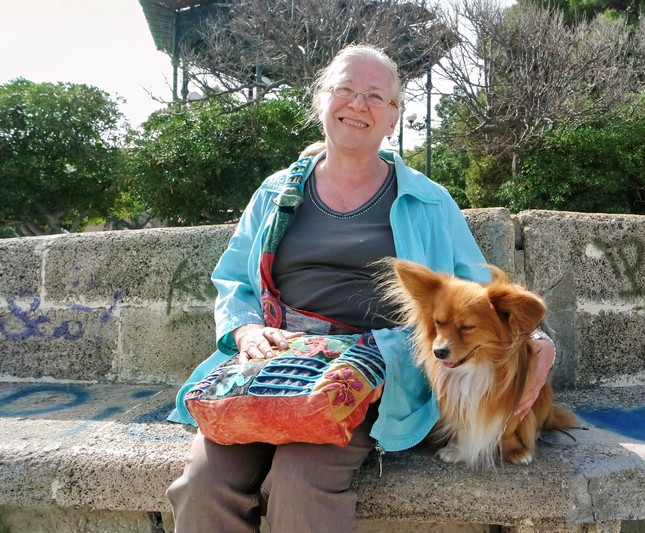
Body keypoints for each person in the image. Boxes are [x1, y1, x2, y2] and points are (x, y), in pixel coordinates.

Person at [166, 43, 556, 533]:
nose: (358, 104)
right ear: (321, 101)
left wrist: (535, 337)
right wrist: (245, 330)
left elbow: (481, 293)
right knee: (203, 484)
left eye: (375, 96)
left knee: (301, 481)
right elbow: (234, 279)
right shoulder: (274, 192)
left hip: (367, 369)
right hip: (272, 365)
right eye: (345, 89)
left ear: (393, 118)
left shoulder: (428, 201)